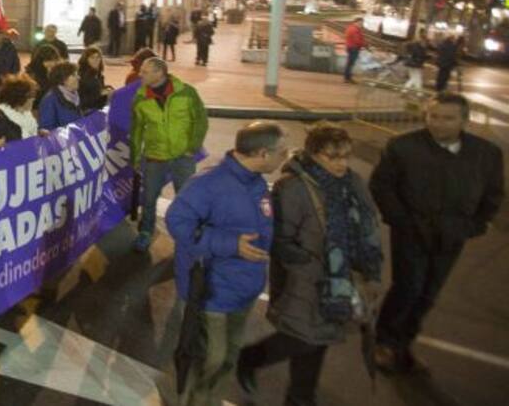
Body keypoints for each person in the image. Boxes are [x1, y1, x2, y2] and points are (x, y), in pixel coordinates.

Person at [236, 123, 383, 406]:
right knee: (307, 337)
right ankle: (253, 359)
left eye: (346, 156)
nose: (342, 163)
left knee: (319, 336)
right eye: (333, 156)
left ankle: (299, 397)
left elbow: (368, 228)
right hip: (306, 279)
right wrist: (306, 265)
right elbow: (281, 239)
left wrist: (371, 272)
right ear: (313, 154)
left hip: (342, 277)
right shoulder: (292, 188)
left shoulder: (352, 183)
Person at [369, 93, 503, 374]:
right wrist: (402, 222)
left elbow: (493, 194)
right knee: (408, 287)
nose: (438, 123)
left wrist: (473, 226)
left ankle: (404, 343)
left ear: (465, 120)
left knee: (429, 293)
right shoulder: (403, 146)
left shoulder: (486, 154)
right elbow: (382, 186)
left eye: (448, 118)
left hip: (452, 235)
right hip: (412, 232)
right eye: (433, 116)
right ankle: (386, 342)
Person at [165, 121, 288, 406]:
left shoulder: (256, 182)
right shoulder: (208, 184)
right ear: (262, 153)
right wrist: (230, 244)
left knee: (228, 358)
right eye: (282, 152)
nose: (287, 157)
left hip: (243, 290)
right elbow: (178, 222)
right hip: (213, 292)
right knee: (209, 358)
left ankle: (209, 400)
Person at [130, 57, 209, 252]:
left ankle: (189, 235)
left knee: (186, 198)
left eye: (145, 71)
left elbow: (200, 120)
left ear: (159, 73)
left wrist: (192, 147)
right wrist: (135, 157)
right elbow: (136, 130)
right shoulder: (140, 98)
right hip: (154, 157)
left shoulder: (187, 93)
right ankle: (146, 232)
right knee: (149, 198)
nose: (140, 74)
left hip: (183, 157)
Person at [0, 75, 39, 148]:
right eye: (30, 96)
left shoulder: (27, 114)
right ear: (19, 98)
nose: (33, 99)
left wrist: (41, 135)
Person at [39, 61, 82, 130]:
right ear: (63, 79)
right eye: (74, 75)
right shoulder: (49, 100)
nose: (79, 77)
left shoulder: (74, 96)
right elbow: (47, 129)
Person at [77, 47, 110, 112]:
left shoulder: (99, 75)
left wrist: (107, 91)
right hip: (86, 111)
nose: (96, 60)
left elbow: (100, 93)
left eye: (98, 57)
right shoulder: (81, 76)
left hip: (98, 108)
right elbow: (80, 100)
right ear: (86, 59)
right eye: (92, 58)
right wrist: (99, 93)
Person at [343, 17, 364, 84]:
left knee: (349, 63)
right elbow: (357, 40)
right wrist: (364, 44)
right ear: (356, 22)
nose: (361, 24)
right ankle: (347, 78)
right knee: (350, 63)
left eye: (362, 23)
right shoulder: (355, 30)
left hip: (350, 47)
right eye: (360, 23)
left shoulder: (350, 28)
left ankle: (347, 78)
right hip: (354, 48)